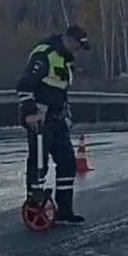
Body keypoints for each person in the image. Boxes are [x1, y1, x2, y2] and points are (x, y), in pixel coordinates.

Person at [16, 24, 90, 224]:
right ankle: (35, 207)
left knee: (67, 163)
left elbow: (59, 90)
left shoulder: (65, 60)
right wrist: (30, 113)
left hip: (57, 120)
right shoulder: (45, 54)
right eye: (77, 46)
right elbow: (25, 85)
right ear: (69, 40)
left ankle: (64, 211)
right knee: (39, 165)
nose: (78, 51)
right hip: (40, 119)